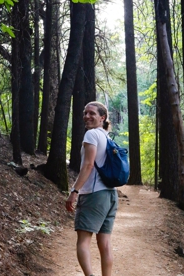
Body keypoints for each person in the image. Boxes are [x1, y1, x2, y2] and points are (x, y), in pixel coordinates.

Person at [66, 101, 118, 276]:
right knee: (105, 244)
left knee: (83, 241)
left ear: (102, 118)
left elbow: (88, 165)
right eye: (85, 112)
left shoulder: (91, 135)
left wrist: (75, 191)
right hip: (110, 195)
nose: (86, 116)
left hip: (94, 195)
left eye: (92, 113)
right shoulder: (106, 137)